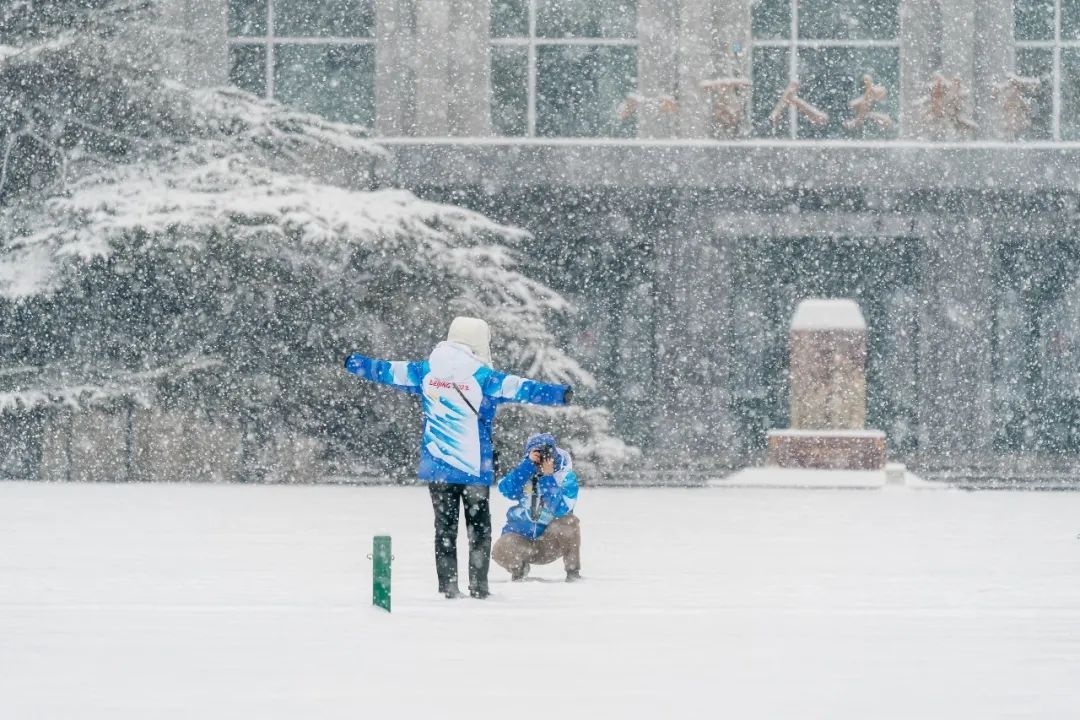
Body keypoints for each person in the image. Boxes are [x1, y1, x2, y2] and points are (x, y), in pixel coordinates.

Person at [343, 317, 573, 599]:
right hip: (474, 470)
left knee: (444, 529)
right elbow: (523, 388)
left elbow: (386, 371)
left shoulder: (425, 371)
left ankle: (448, 587)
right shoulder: (484, 378)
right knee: (478, 531)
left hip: (437, 469)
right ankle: (479, 587)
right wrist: (560, 394)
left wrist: (354, 362)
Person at [492, 432, 581, 582]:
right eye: (537, 453)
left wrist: (548, 478)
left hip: (550, 543)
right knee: (500, 549)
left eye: (546, 453)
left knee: (569, 522)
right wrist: (527, 466)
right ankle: (519, 569)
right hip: (522, 541)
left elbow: (560, 509)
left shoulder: (566, 477)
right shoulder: (525, 471)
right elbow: (506, 490)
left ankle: (573, 572)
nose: (542, 457)